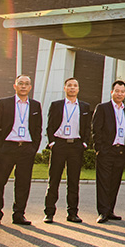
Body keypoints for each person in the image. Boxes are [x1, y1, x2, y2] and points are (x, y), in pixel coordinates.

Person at [0, 75, 43, 227]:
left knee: (23, 184)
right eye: (20, 83)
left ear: (30, 87)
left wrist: (34, 147)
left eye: (26, 84)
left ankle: (19, 214)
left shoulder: (35, 105)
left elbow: (37, 128)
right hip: (7, 148)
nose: (23, 86)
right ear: (15, 86)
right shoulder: (4, 103)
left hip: (26, 149)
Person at [44, 77, 91, 224]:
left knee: (73, 181)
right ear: (65, 88)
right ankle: (49, 212)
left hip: (76, 146)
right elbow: (50, 125)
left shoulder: (84, 107)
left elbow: (87, 127)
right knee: (54, 180)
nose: (72, 88)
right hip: (59, 144)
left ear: (78, 89)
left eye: (75, 85)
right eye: (69, 85)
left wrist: (84, 143)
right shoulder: (56, 105)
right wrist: (52, 142)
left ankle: (72, 213)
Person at [92, 80, 125, 223]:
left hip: (120, 151)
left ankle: (110, 210)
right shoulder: (103, 108)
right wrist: (99, 148)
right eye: (117, 91)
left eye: (122, 92)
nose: (119, 94)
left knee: (115, 182)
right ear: (112, 92)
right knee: (103, 182)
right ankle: (102, 212)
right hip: (106, 151)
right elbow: (96, 129)